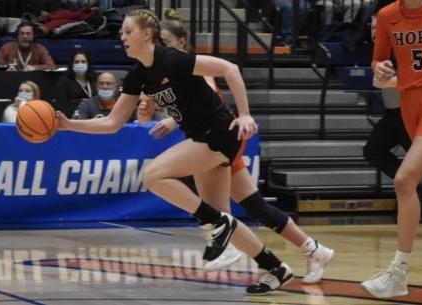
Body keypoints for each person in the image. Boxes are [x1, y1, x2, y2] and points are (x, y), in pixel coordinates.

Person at [56, 9, 294, 294]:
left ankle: (219, 225)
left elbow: (229, 69)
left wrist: (244, 114)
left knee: (153, 175)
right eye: (122, 33)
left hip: (220, 132)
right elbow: (111, 123)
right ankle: (275, 267)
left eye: (128, 32)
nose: (122, 37)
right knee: (220, 217)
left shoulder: (172, 58)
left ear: (146, 34)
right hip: (200, 137)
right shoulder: (137, 77)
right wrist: (69, 124)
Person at [137, 8, 334, 283]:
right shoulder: (161, 69)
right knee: (253, 207)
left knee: (226, 214)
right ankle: (306, 252)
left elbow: (210, 93)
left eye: (167, 42)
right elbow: (165, 101)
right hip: (204, 138)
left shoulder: (188, 64)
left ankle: (299, 254)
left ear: (181, 42)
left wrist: (171, 121)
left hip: (218, 136)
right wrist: (148, 108)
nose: (162, 47)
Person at [360, 0, 422, 299]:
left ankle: (398, 272)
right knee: (406, 181)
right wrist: (381, 70)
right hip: (409, 104)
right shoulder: (387, 15)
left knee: (404, 180)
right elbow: (377, 61)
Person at [363, 0, 411, 185]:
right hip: (393, 114)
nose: (375, 31)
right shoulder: (380, 51)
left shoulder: (403, 47)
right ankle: (414, 189)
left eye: (378, 27)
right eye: (373, 27)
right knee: (373, 151)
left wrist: (392, 82)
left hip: (410, 112)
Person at [54, 50, 98, 117]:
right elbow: (61, 104)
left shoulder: (94, 79)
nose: (80, 64)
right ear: (72, 64)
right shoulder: (64, 80)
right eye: (77, 62)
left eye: (83, 62)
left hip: (93, 115)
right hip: (73, 116)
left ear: (88, 64)